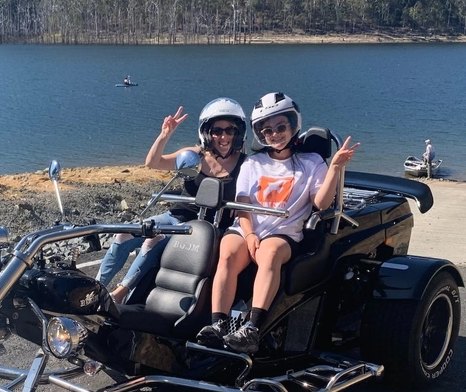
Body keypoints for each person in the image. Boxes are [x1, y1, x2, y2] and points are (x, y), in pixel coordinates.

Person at [196, 92, 359, 354]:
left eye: (281, 127)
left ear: (294, 126)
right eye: (267, 129)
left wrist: (335, 168)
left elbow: (322, 203)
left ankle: (252, 328)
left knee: (270, 252)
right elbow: (242, 206)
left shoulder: (311, 162)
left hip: (283, 232)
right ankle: (219, 324)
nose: (275, 134)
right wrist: (249, 236)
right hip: (249, 228)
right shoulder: (253, 163)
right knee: (226, 250)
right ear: (260, 133)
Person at [98, 98, 248, 303]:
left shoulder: (245, 164)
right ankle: (95, 289)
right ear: (207, 133)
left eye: (229, 130)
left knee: (153, 240)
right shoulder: (195, 155)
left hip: (204, 227)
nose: (223, 136)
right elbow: (153, 162)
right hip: (175, 216)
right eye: (217, 130)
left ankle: (119, 294)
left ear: (238, 133)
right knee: (124, 234)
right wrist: (164, 135)